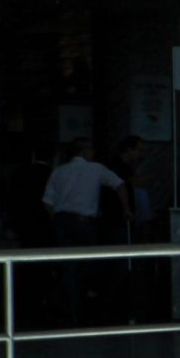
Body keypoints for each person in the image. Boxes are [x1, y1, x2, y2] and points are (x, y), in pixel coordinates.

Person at [41, 138, 131, 324]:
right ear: (84, 152)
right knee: (91, 266)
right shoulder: (96, 169)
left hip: (63, 222)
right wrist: (126, 210)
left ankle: (73, 312)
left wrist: (58, 220)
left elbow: (47, 202)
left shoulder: (59, 171)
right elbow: (119, 185)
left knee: (69, 268)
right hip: (85, 222)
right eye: (91, 149)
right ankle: (90, 309)